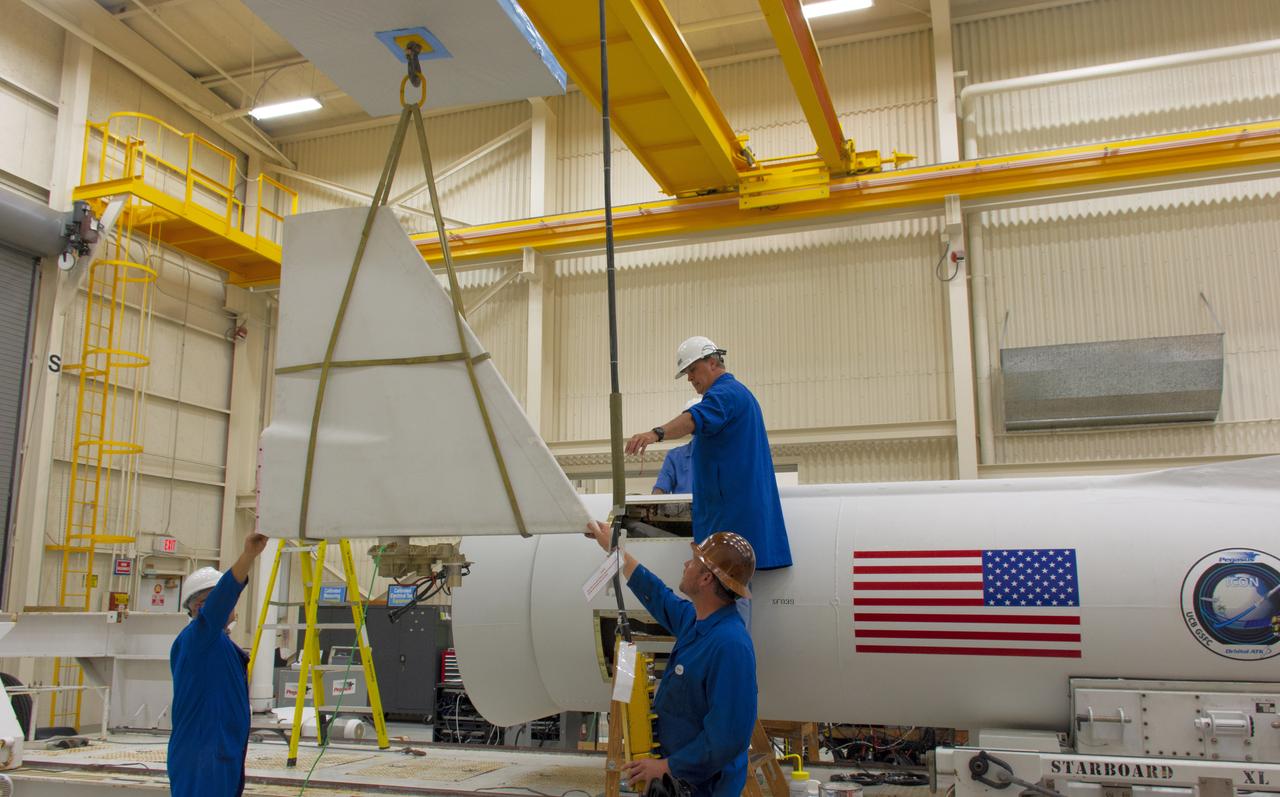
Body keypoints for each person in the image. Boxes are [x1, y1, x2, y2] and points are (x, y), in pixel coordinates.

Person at [586, 520, 757, 797]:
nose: (686, 565)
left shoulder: (730, 645)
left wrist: (668, 766)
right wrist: (615, 551)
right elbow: (658, 595)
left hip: (706, 788)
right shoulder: (695, 621)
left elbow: (728, 738)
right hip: (680, 781)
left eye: (693, 562)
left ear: (706, 579)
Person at [626, 336, 791, 579]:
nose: (690, 378)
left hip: (730, 521)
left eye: (692, 369)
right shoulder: (737, 394)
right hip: (731, 519)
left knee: (724, 593)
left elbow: (694, 419)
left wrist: (655, 434)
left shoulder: (725, 394)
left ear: (712, 362)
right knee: (728, 591)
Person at [168, 532, 269, 797]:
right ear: (200, 606)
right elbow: (224, 594)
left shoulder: (216, 643)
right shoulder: (199, 638)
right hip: (204, 757)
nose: (231, 603)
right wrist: (249, 555)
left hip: (219, 753)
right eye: (222, 600)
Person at [653, 398, 700, 495]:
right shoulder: (675, 456)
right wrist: (654, 500)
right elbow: (661, 488)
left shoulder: (724, 454)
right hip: (685, 505)